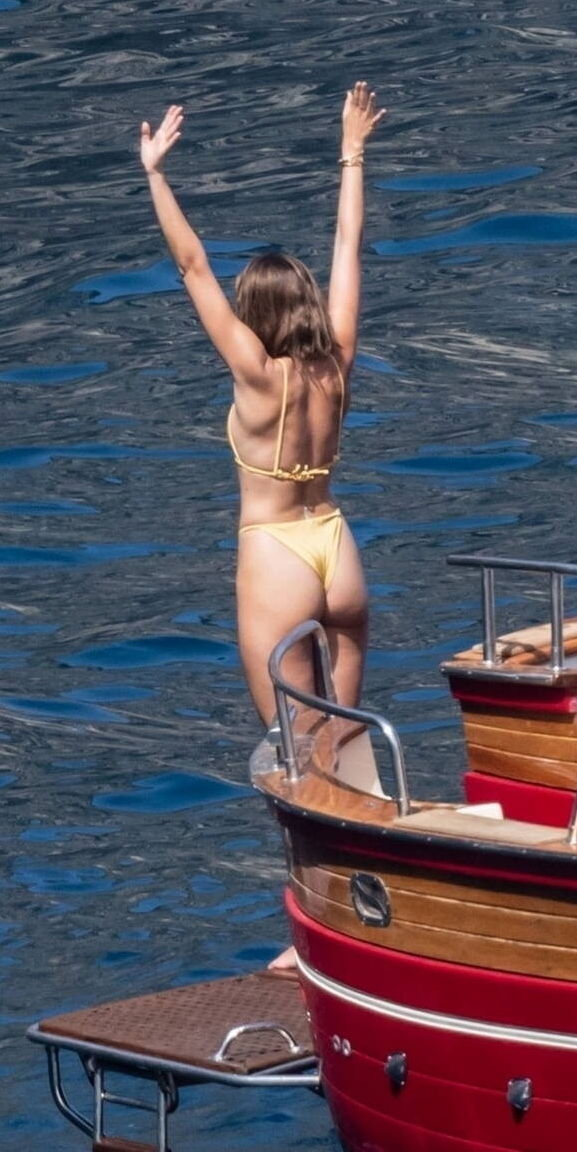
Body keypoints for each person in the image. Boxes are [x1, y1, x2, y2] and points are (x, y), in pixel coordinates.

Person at [140, 83, 387, 725]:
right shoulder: (337, 363)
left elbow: (193, 267)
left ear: (254, 313)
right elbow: (348, 244)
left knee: (296, 751)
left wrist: (156, 176)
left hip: (278, 555)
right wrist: (352, 152)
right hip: (337, 547)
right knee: (348, 738)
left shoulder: (255, 373)